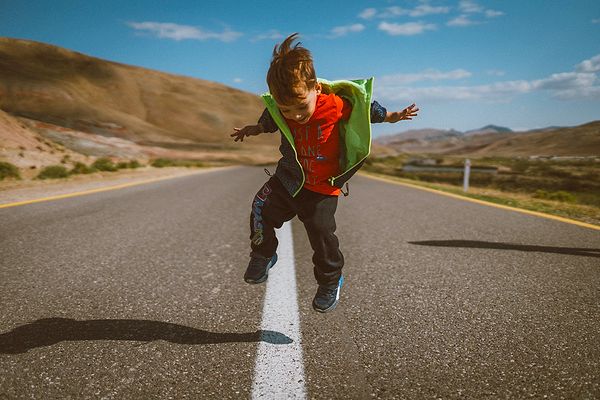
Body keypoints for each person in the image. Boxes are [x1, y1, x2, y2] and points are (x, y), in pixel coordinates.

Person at [231, 33, 418, 313]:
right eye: (286, 109)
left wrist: (392, 116)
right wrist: (254, 129)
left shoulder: (335, 104)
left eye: (300, 107)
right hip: (288, 179)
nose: (294, 115)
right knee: (260, 207)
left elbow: (365, 109)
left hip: (321, 188)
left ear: (316, 88)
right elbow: (271, 118)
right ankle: (262, 253)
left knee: (321, 236)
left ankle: (330, 280)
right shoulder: (281, 110)